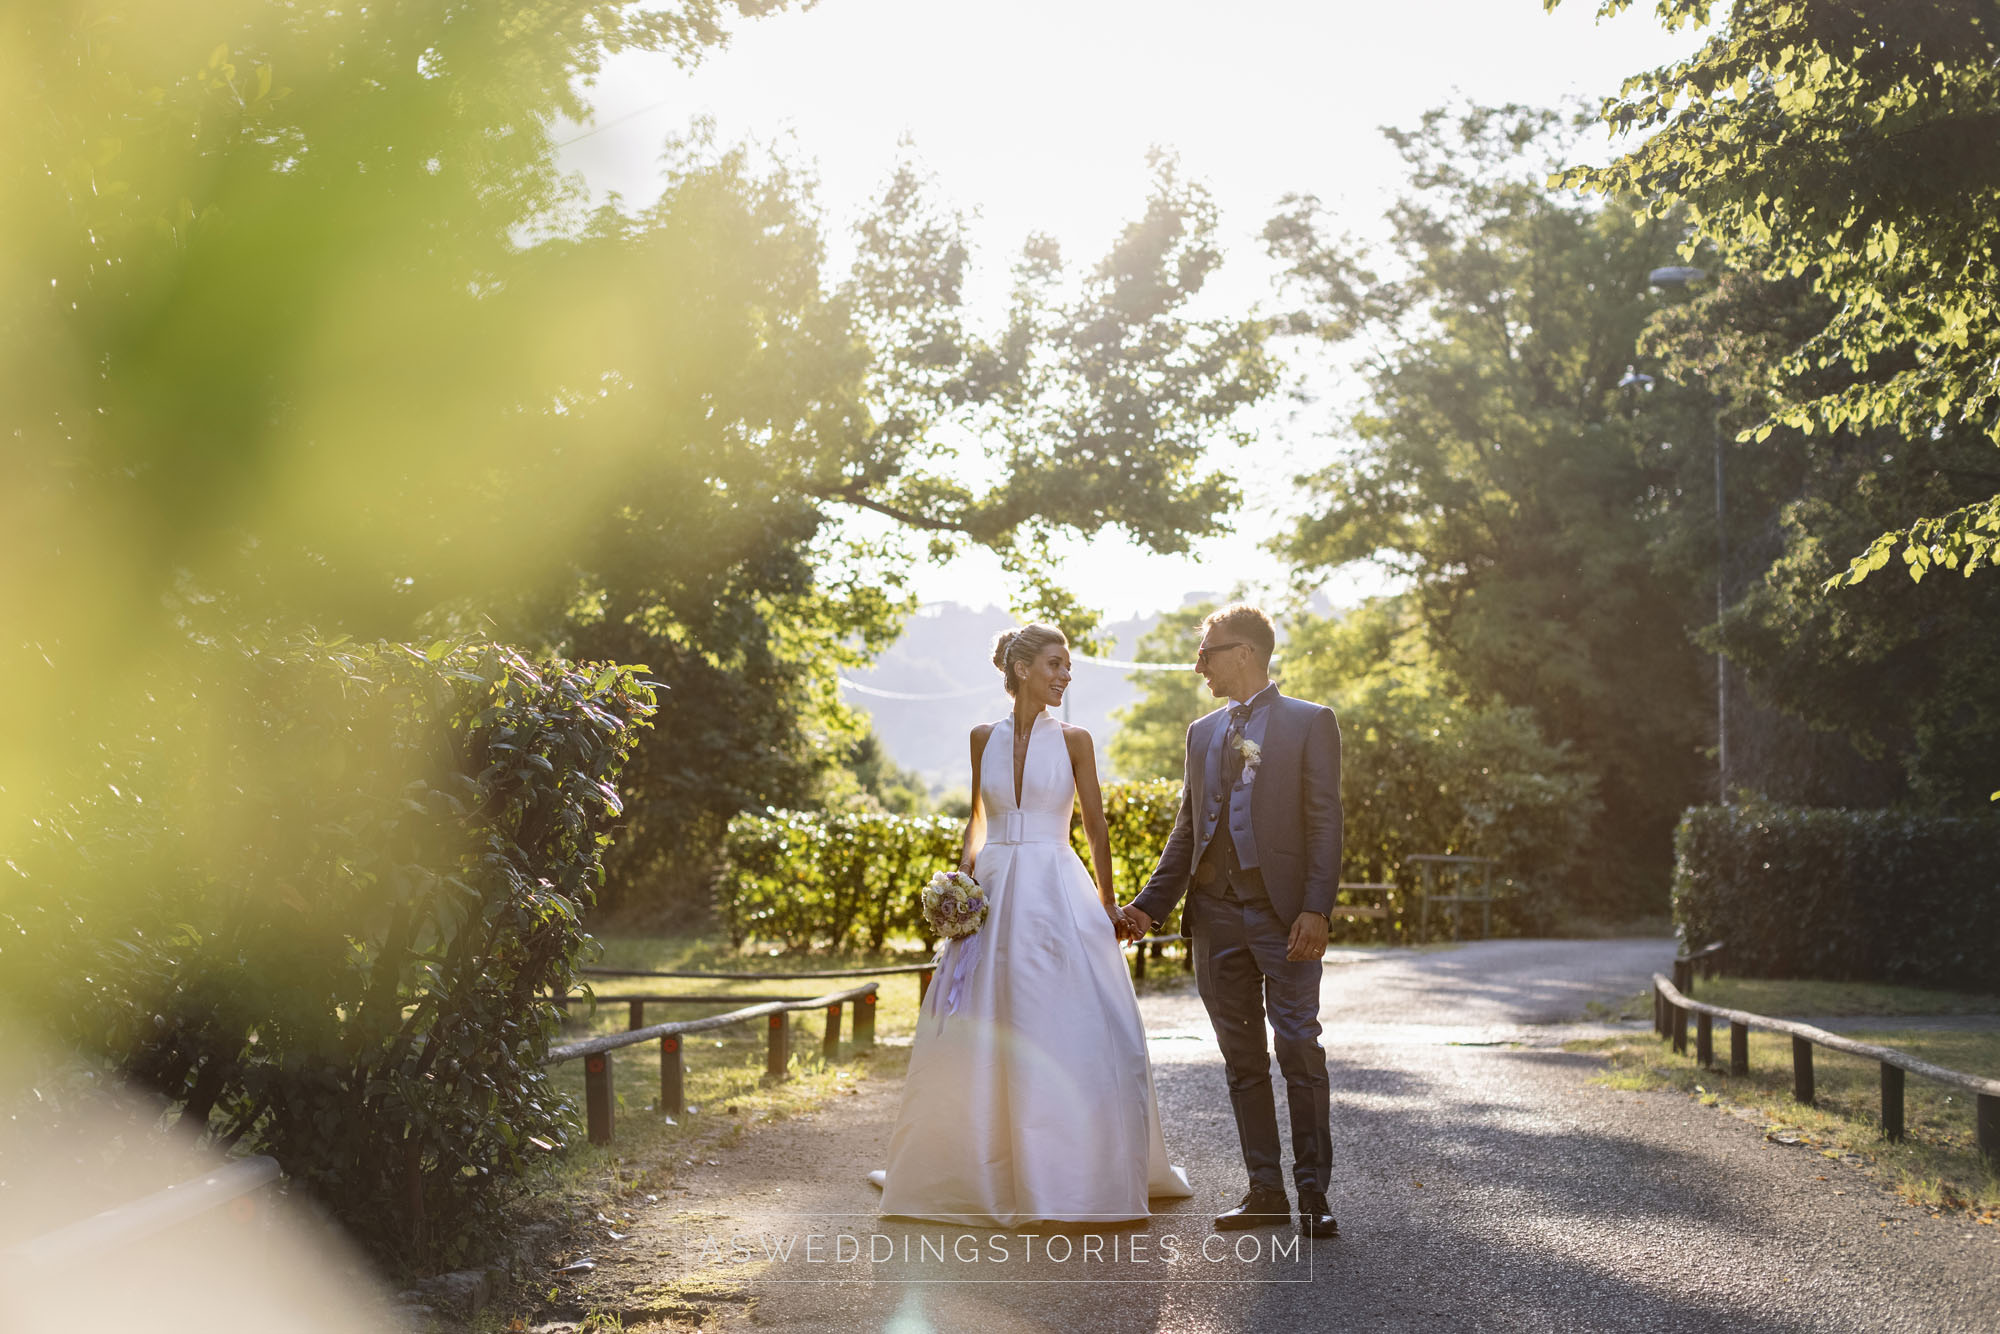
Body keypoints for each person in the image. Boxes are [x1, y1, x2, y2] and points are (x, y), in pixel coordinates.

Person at [868, 622, 1192, 1226]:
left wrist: (1108, 903)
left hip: (1055, 887)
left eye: (1067, 666)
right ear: (1021, 669)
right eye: (1054, 664)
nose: (1065, 675)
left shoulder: (1075, 740)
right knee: (981, 1017)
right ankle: (976, 1167)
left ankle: (1068, 1172)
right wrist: (960, 886)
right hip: (992, 889)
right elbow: (977, 820)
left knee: (1061, 1013)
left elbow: (1094, 825)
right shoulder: (981, 737)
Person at [1119, 603, 1341, 1240]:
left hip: (1285, 917)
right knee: (1241, 1058)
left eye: (1207, 652)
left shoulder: (1310, 722)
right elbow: (1188, 831)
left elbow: (1326, 822)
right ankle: (1265, 1192)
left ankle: (1313, 1194)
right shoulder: (1201, 732)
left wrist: (1317, 909)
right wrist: (1146, 907)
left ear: (1243, 653)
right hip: (1214, 917)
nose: (1199, 666)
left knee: (1298, 1046)